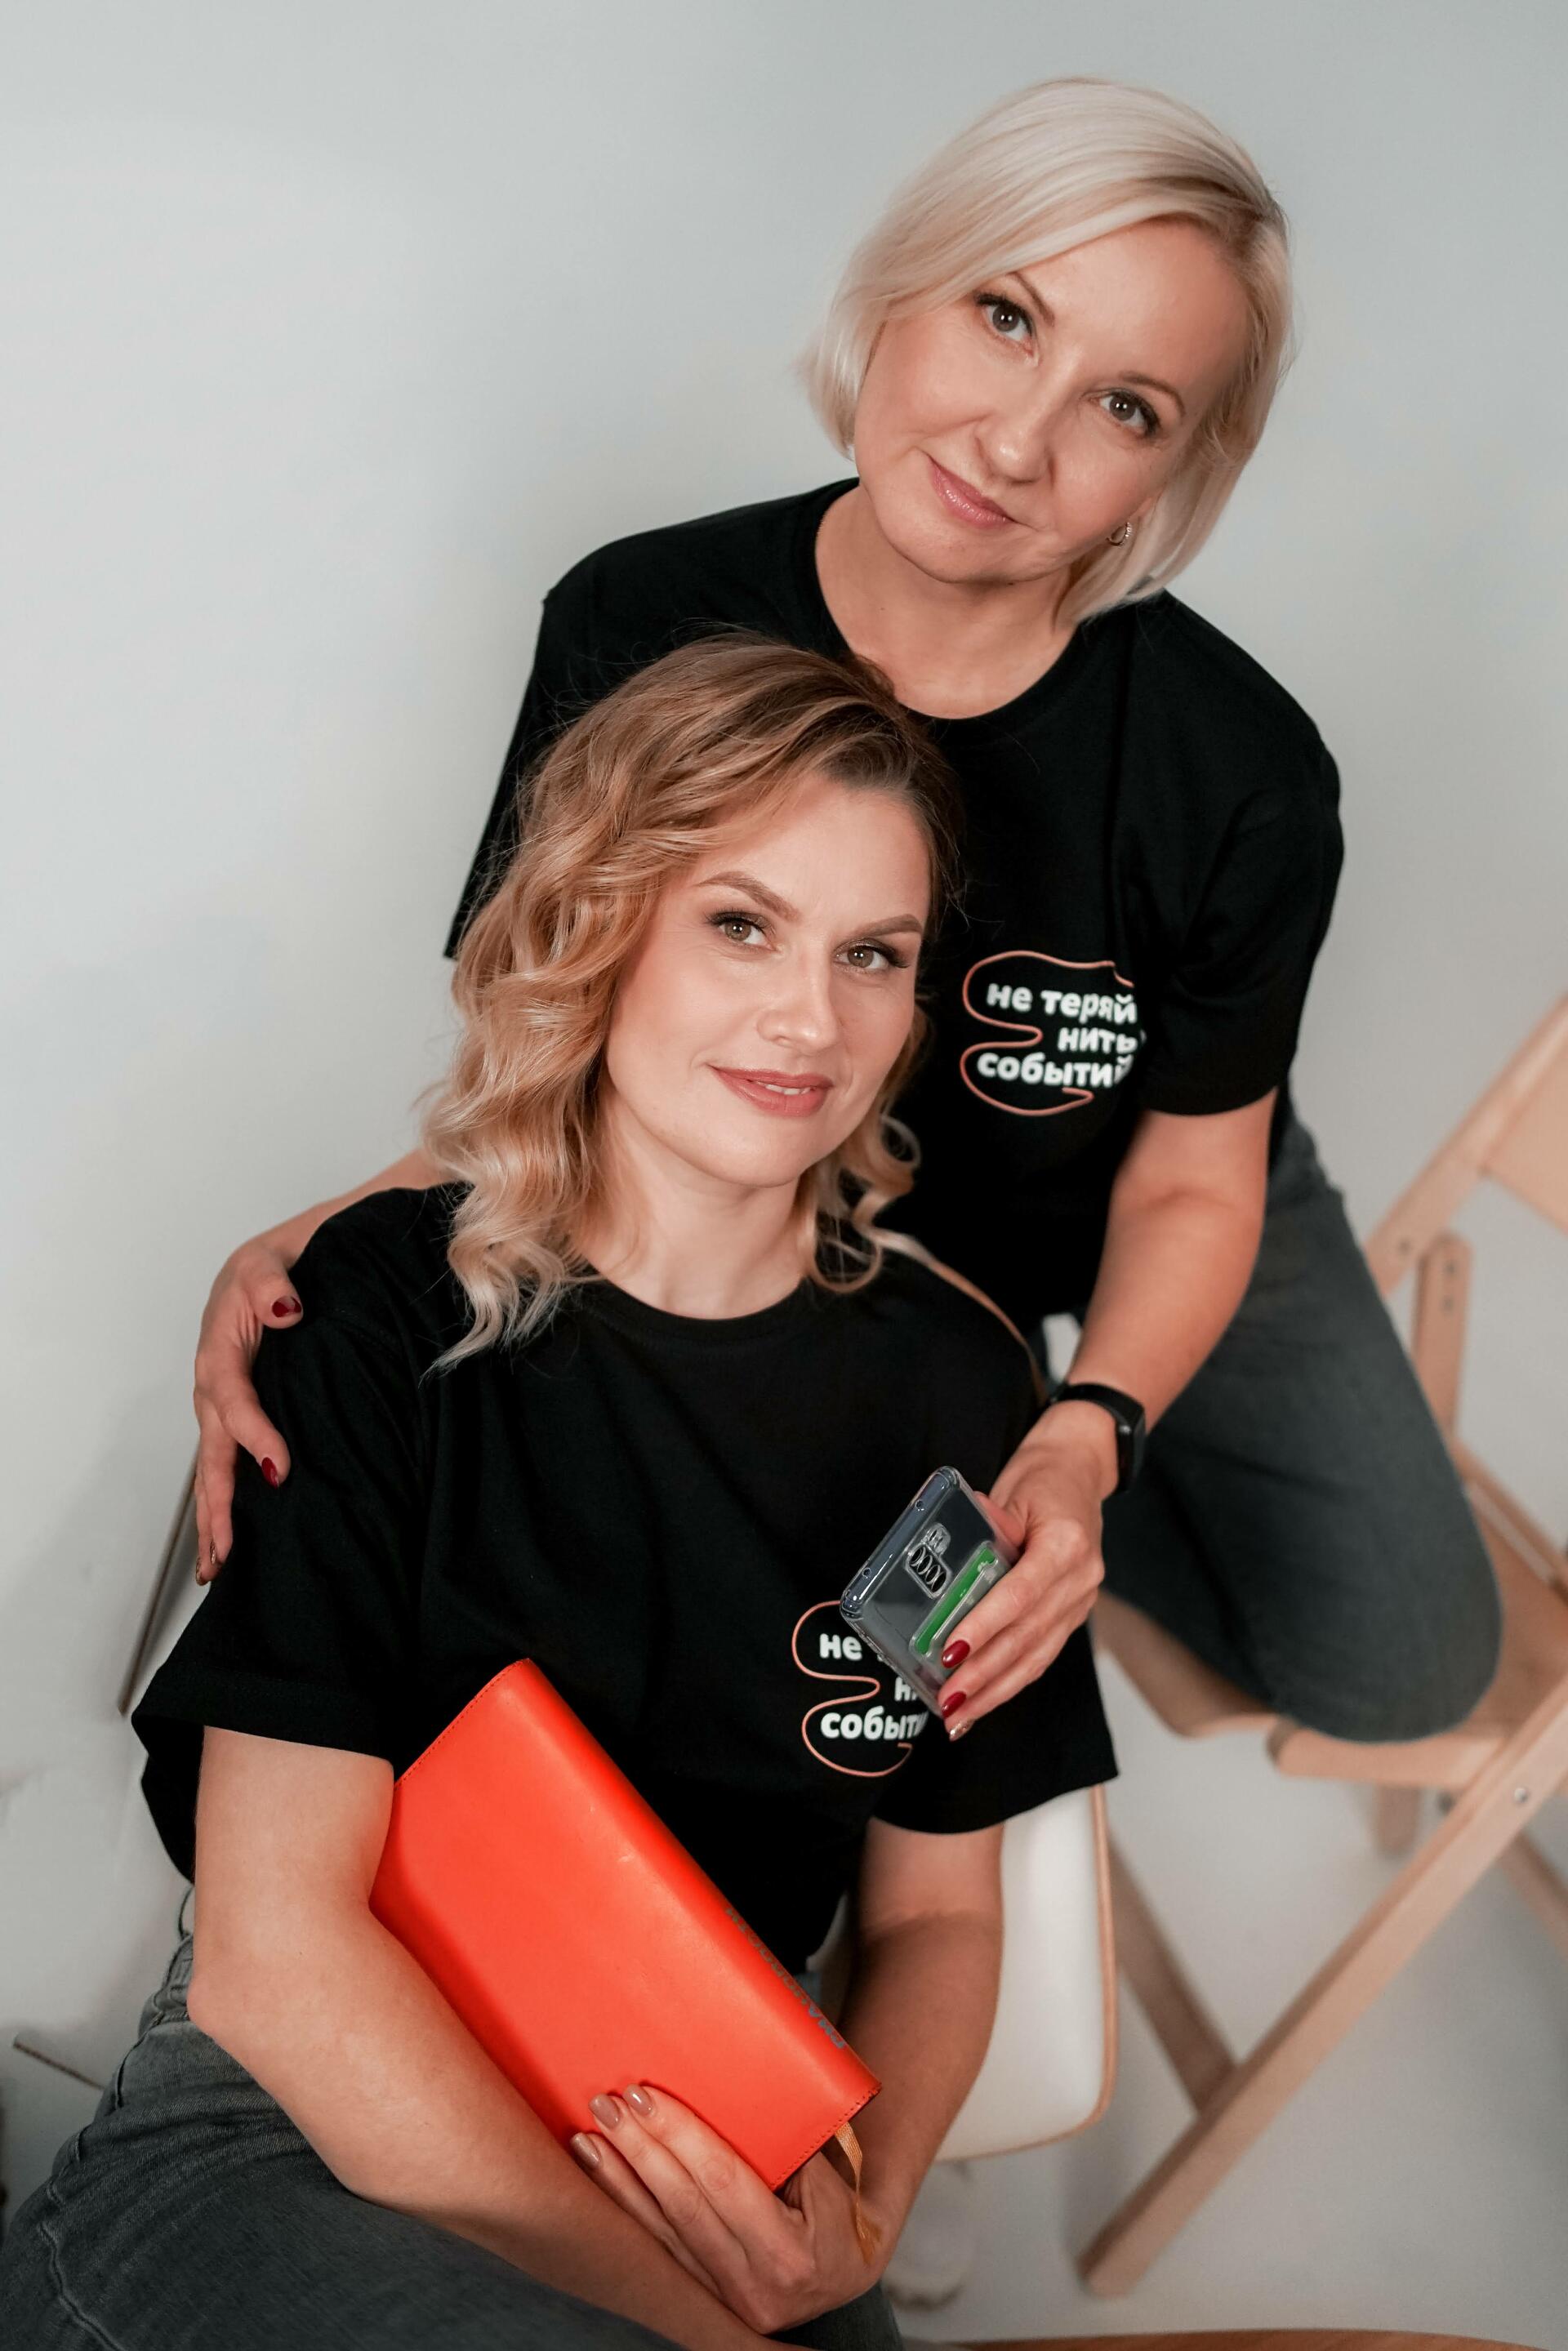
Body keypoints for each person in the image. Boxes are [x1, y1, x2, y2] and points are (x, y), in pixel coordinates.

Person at [191, 76, 1498, 1748]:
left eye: (1126, 407)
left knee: (1405, 1661)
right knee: (760, 1645)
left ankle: (1047, 1422)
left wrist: (1087, 1433)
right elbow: (552, 1037)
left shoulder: (1242, 774)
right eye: (1006, 316)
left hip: (1145, 1171)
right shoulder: (637, 621)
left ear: (1175, 475)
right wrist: (324, 1249)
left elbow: (1196, 1175)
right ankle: (963, 1408)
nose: (1015, 443)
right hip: (789, 1216)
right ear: (899, 289)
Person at [0, 639, 1115, 2350]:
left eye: (871, 954)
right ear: (601, 928)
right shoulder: (382, 1309)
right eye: (740, 924)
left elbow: (937, 1912)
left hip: (723, 2158)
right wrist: (707, 2334)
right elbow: (277, 1960)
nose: (811, 1018)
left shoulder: (954, 1391)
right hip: (305, 2120)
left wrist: (862, 2216)